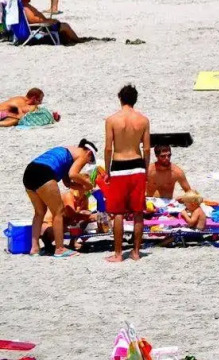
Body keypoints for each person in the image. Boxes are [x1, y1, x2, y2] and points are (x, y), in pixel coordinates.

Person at [102, 83, 151, 262]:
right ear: (135, 100)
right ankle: (136, 252)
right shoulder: (143, 120)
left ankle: (117, 254)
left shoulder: (112, 120)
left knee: (118, 212)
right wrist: (145, 169)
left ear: (120, 99)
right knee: (138, 211)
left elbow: (108, 148)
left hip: (119, 164)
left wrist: (107, 170)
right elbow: (146, 149)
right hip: (137, 165)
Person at [23, 139, 96, 257]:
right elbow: (73, 174)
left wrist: (82, 188)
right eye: (90, 160)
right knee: (58, 211)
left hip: (29, 172)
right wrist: (88, 184)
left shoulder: (67, 153)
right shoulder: (82, 154)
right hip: (44, 173)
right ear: (89, 153)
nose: (86, 163)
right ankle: (60, 249)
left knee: (39, 212)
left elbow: (68, 183)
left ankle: (34, 248)